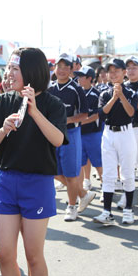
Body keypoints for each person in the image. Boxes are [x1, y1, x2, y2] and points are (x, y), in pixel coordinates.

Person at [0, 48, 66, 276]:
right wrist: (4, 129)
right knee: (5, 252)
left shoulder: (53, 104)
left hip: (38, 183)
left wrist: (33, 110)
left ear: (31, 72)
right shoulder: (4, 100)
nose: (8, 75)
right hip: (7, 180)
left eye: (14, 70)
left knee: (33, 255)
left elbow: (57, 139)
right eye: (7, 69)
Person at [93, 58, 137, 224]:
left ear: (123, 72)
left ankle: (128, 210)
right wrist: (113, 97)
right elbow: (102, 113)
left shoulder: (131, 92)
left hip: (126, 133)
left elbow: (131, 112)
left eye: (116, 71)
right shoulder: (104, 93)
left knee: (127, 173)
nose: (113, 74)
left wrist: (121, 96)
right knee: (109, 174)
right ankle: (107, 212)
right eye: (110, 71)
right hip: (109, 133)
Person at [48, 53, 88, 222]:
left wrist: (67, 120)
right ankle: (83, 194)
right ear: (54, 68)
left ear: (72, 70)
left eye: (66, 67)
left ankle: (72, 207)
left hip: (70, 134)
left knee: (71, 174)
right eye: (59, 66)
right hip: (51, 134)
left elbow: (85, 114)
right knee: (53, 170)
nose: (62, 70)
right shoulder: (49, 88)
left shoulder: (76, 89)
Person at [116, 57, 138, 209]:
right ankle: (127, 194)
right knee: (126, 164)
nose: (131, 71)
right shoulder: (122, 87)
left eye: (134, 67)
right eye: (128, 68)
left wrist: (134, 104)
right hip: (127, 128)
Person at [72, 66, 100, 209]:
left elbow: (96, 115)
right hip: (80, 133)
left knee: (99, 163)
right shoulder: (78, 92)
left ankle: (107, 190)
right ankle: (80, 194)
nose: (79, 79)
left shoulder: (96, 94)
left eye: (82, 76)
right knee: (81, 164)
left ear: (90, 78)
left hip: (93, 133)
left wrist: (80, 120)